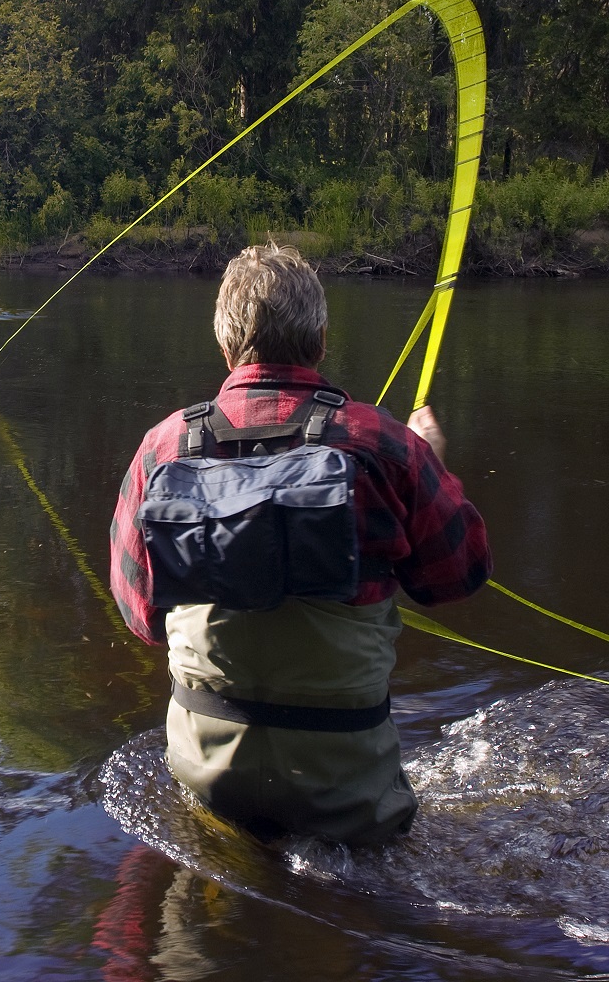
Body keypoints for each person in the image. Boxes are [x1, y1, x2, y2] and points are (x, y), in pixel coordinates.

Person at [109, 243, 491, 847]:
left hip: (207, 776)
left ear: (226, 344)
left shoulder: (162, 449)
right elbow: (460, 575)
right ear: (319, 340)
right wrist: (434, 462)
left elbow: (142, 619)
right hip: (351, 788)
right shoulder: (384, 443)